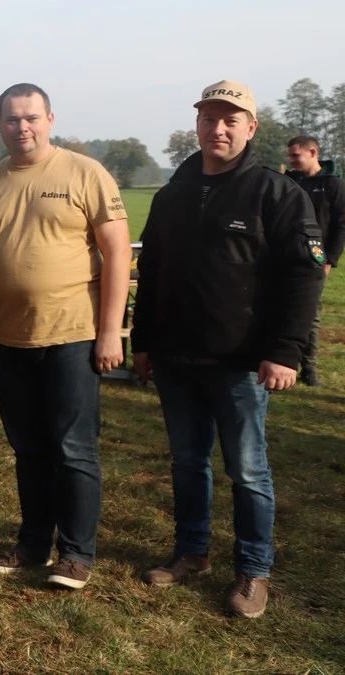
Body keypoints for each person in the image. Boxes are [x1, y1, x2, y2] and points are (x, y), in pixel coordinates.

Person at [132, 81, 323, 619]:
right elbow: (152, 275)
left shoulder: (275, 193)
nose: (218, 128)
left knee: (248, 470)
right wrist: (142, 342)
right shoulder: (173, 194)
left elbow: (304, 279)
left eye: (231, 120)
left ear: (251, 128)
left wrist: (286, 350)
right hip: (174, 358)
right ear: (196, 125)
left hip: (241, 362)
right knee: (189, 462)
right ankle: (191, 552)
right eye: (210, 118)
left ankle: (253, 570)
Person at [0, 83, 131, 591]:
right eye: (11, 119)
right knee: (28, 448)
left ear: (51, 119)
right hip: (9, 339)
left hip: (74, 335)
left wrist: (109, 332)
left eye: (31, 117)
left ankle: (76, 554)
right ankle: (33, 543)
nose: (22, 127)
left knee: (74, 448)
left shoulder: (85, 173)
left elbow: (118, 253)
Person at [286, 135, 345, 386]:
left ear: (313, 153)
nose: (291, 160)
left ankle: (308, 368)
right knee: (280, 310)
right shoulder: (290, 182)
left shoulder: (333, 185)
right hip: (284, 256)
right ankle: (284, 362)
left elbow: (341, 225)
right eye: (290, 156)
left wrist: (329, 260)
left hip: (315, 259)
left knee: (310, 313)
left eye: (296, 155)